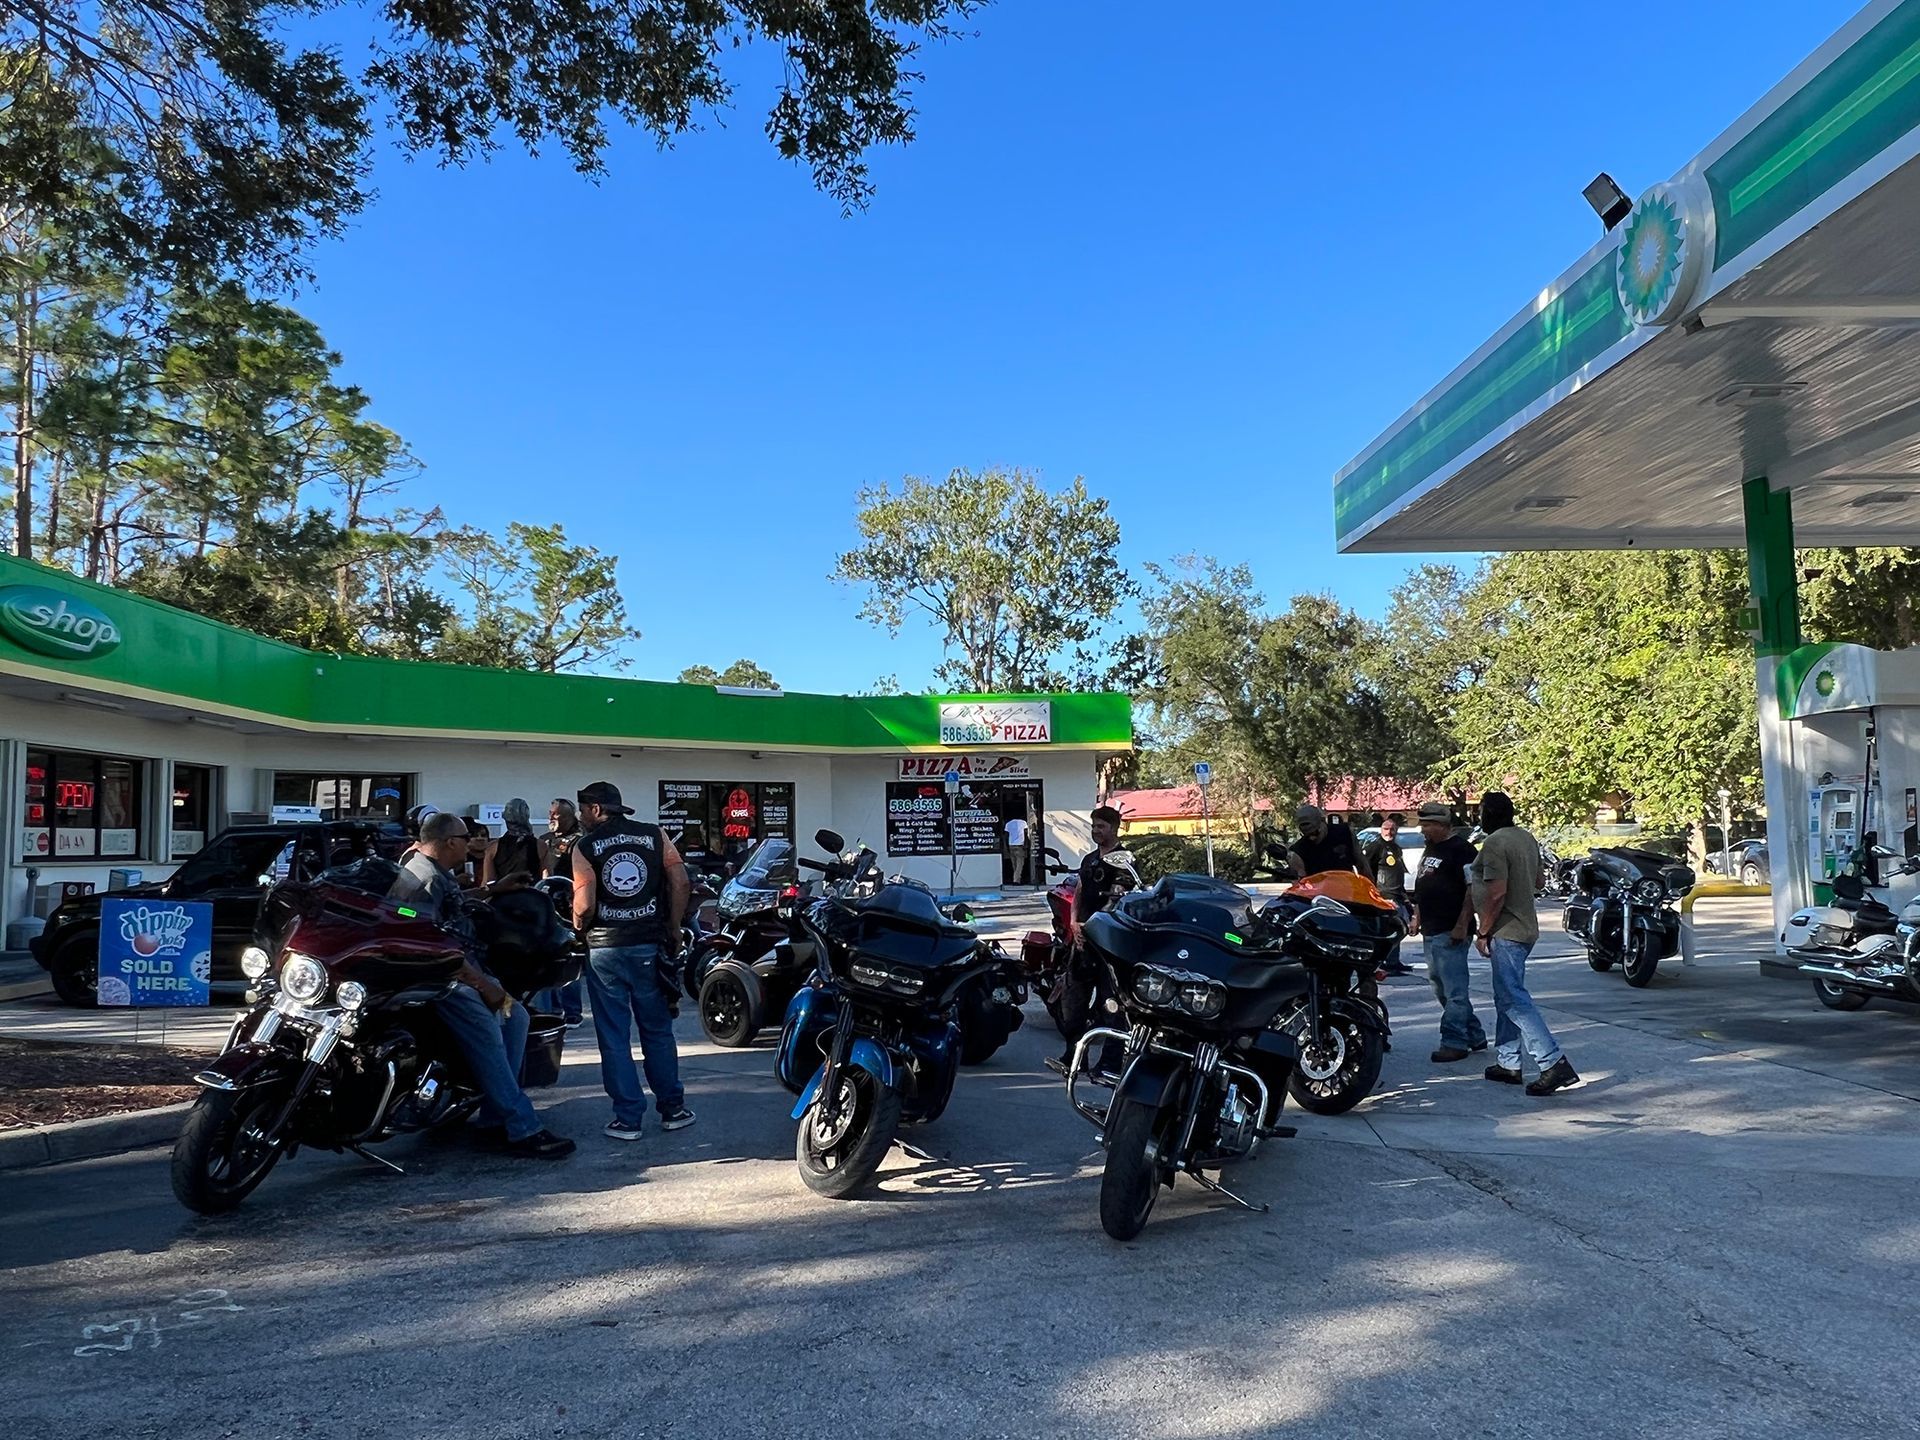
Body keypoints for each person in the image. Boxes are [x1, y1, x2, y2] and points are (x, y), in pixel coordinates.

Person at [388, 812, 574, 1159]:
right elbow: (429, 941)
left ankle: (492, 1116)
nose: (475, 843)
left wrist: (492, 890)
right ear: (449, 843)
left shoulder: (429, 870)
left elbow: (451, 908)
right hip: (442, 979)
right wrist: (483, 985)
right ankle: (523, 1127)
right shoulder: (425, 878)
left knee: (515, 1016)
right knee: (489, 1029)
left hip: (453, 970)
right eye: (467, 837)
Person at [572, 780, 695, 1139]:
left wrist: (580, 928)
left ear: (595, 809)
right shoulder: (655, 836)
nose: (580, 817)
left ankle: (628, 1119)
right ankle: (673, 1108)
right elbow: (681, 882)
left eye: (582, 810)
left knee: (614, 1037)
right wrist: (672, 927)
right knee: (657, 1031)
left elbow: (584, 904)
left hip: (605, 950)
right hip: (648, 945)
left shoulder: (585, 846)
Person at [1472, 791, 1579, 1096]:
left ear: (1489, 814)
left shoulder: (1494, 843)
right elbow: (1539, 882)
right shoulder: (1525, 837)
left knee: (1513, 1000)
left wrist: (1483, 932)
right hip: (1526, 928)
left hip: (1506, 931)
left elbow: (1496, 893)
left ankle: (1552, 1062)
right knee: (1506, 996)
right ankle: (1508, 1063)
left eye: (1481, 811)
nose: (1479, 817)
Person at [1046, 803, 1127, 1076]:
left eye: (1101, 827)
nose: (1096, 831)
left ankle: (1110, 1065)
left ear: (1114, 829)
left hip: (1109, 947)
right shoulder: (1089, 859)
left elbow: (1117, 900)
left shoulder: (1124, 860)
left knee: (1111, 1006)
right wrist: (1074, 923)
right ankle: (1074, 1058)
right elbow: (1079, 890)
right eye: (1093, 826)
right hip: (1082, 945)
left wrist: (1091, 927)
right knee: (1073, 1002)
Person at [1406, 801, 1487, 1062]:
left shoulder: (1462, 850)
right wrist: (1417, 916)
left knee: (1454, 990)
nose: (1423, 830)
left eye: (1428, 825)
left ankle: (1454, 1042)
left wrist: (1463, 924)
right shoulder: (1432, 848)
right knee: (1440, 987)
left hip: (1451, 929)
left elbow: (1471, 888)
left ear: (1442, 825)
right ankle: (1475, 1034)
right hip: (1431, 927)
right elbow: (1422, 884)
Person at [1361, 813, 1414, 976]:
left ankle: (1393, 961)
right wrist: (1371, 892)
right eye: (1386, 829)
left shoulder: (1396, 848)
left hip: (1397, 893)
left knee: (1402, 927)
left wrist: (1405, 897)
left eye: (1392, 829)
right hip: (1383, 894)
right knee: (1390, 928)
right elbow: (1365, 868)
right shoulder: (1376, 846)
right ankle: (1385, 962)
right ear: (1380, 830)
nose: (1389, 832)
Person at [1288, 804, 1362, 879]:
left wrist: (1370, 885)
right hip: (1318, 888)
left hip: (1347, 885)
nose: (1312, 838)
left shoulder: (1345, 833)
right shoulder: (1299, 851)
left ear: (1322, 822)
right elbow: (1300, 881)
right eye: (1307, 835)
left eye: (1315, 833)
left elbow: (1362, 863)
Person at [485, 799, 543, 888]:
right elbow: (546, 879)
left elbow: (488, 881)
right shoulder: (540, 845)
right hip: (532, 896)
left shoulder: (493, 847)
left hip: (502, 897)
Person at [1004, 808, 1030, 886]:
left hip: (1011, 845)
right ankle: (1016, 880)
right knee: (1020, 864)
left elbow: (1006, 836)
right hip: (1020, 845)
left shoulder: (1008, 824)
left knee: (1014, 864)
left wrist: (1006, 846)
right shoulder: (1023, 823)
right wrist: (1026, 844)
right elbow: (1025, 834)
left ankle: (1015, 878)